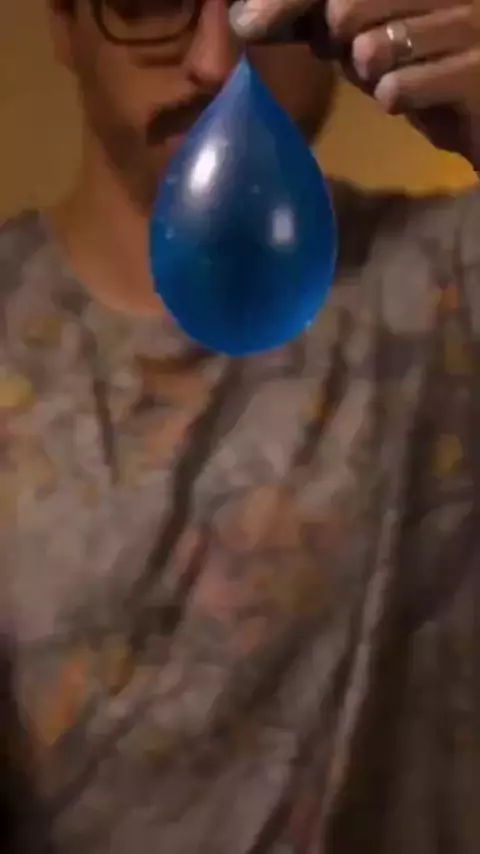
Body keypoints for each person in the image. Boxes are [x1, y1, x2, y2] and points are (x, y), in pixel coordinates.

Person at [1, 0, 479, 851]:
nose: (218, 66)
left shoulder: (452, 284)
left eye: (268, 11)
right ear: (63, 26)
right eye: (152, 2)